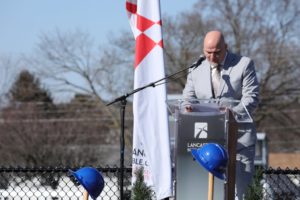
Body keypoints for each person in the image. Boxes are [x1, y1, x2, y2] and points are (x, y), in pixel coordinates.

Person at [182, 30, 259, 199]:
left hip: (239, 140)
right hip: (208, 142)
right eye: (207, 52)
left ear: (226, 47)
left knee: (242, 192)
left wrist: (232, 113)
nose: (212, 57)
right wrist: (188, 107)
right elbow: (187, 98)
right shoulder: (196, 69)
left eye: (217, 52)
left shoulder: (244, 64)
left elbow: (251, 99)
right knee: (209, 193)